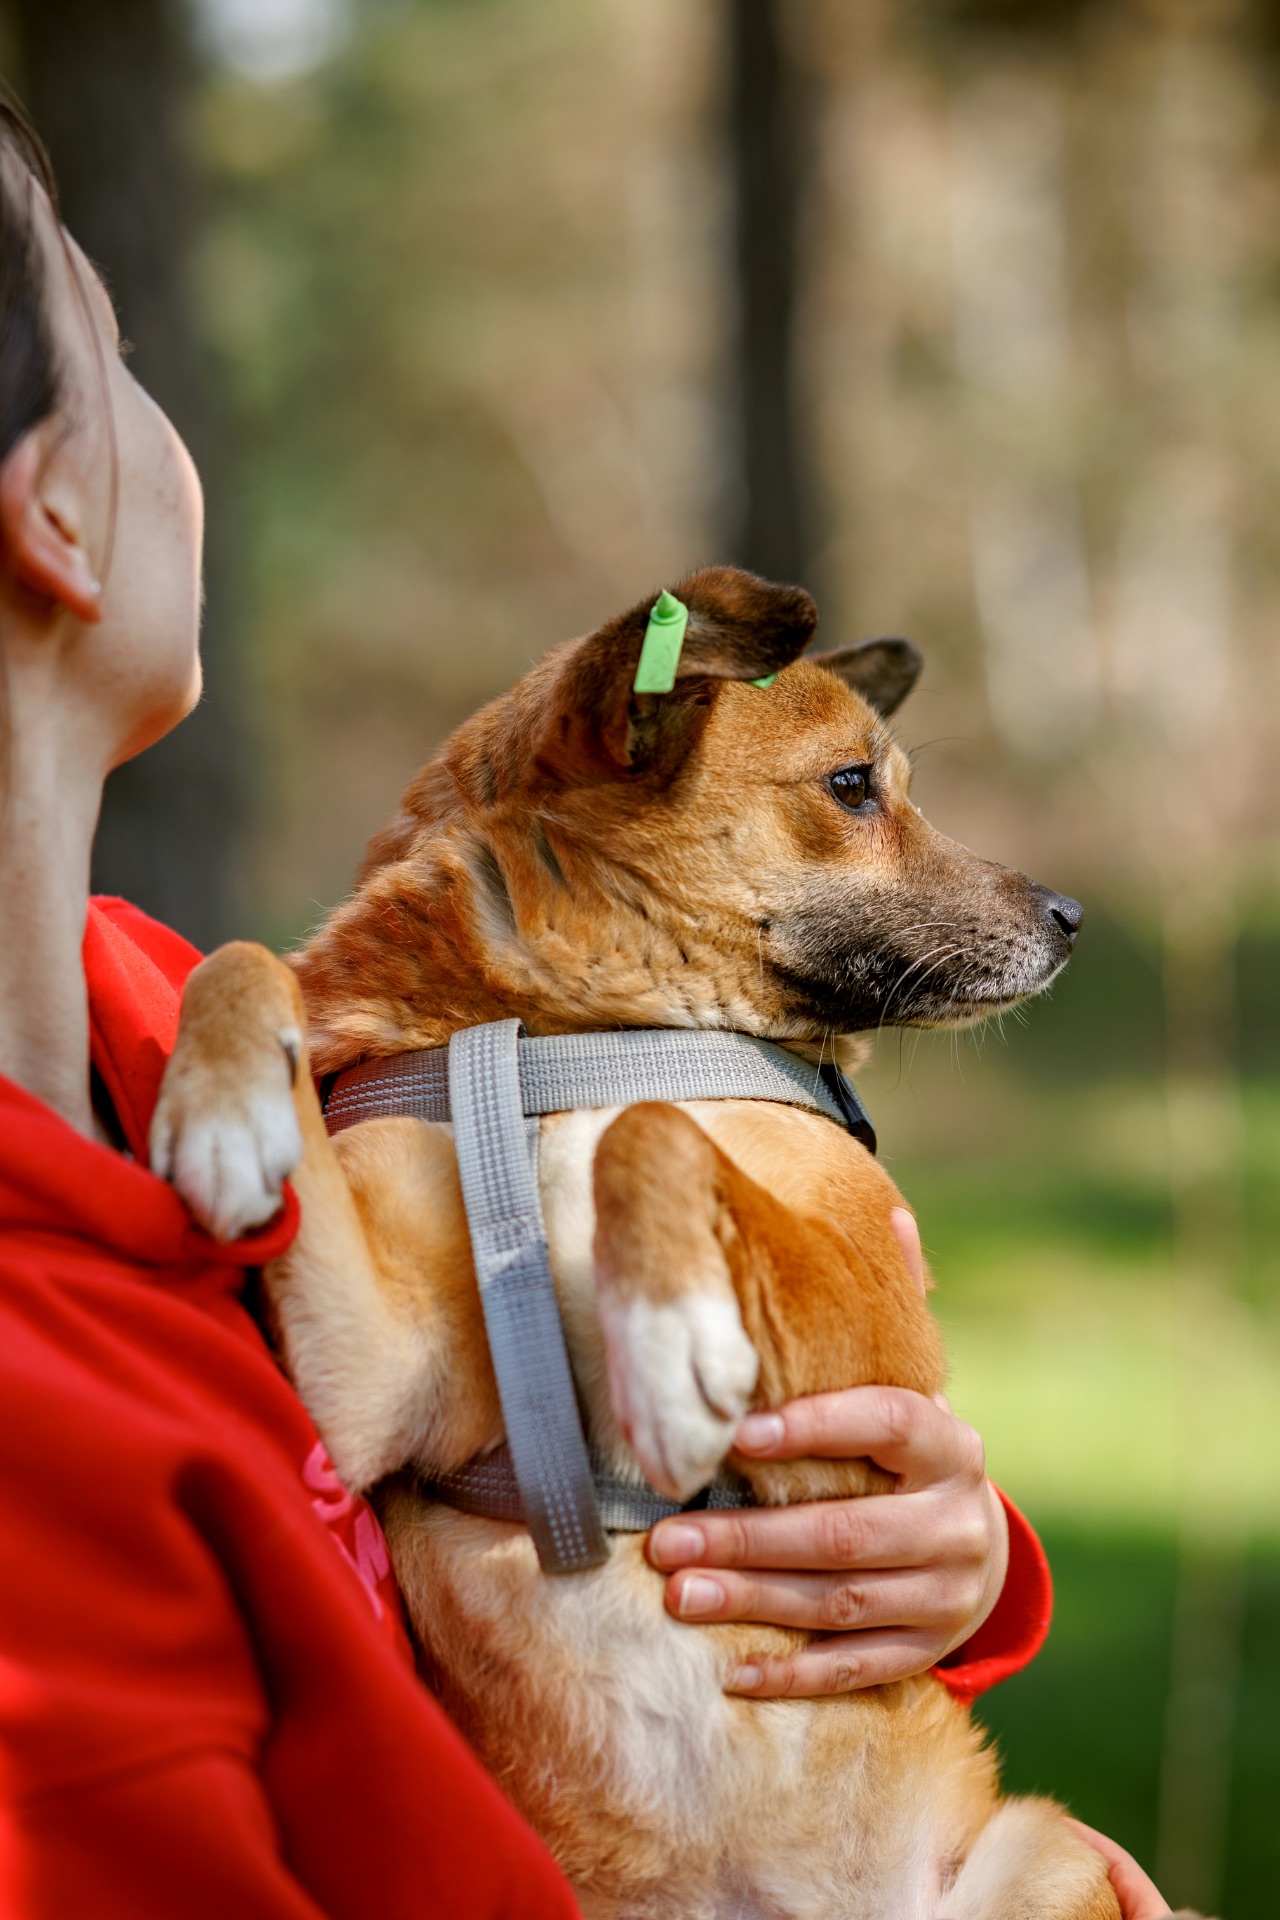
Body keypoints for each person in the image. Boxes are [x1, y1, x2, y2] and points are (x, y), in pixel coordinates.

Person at [0, 97, 1167, 1918]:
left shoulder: (182, 1012)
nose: (183, 420)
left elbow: (817, 1410)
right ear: (55, 513)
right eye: (122, 353)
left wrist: (955, 1558)